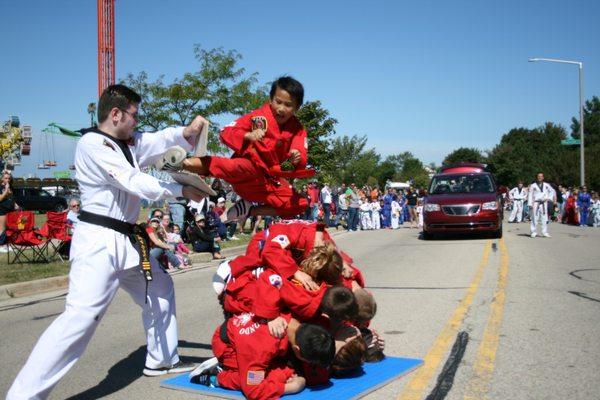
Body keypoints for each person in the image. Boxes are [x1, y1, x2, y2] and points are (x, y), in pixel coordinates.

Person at [6, 84, 208, 400]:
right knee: (79, 321)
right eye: (134, 115)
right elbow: (132, 180)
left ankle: (161, 359)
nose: (138, 122)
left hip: (126, 240)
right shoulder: (93, 144)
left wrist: (186, 130)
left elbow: (157, 139)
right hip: (98, 243)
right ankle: (23, 396)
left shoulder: (129, 144)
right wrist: (181, 191)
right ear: (116, 114)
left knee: (160, 288)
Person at [156, 76, 312, 222]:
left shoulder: (298, 130)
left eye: (288, 105)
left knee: (300, 203)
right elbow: (226, 132)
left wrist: (295, 159)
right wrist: (247, 136)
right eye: (278, 102)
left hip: (269, 183)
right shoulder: (257, 117)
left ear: (297, 107)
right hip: (247, 172)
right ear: (270, 99)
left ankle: (249, 210)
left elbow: (297, 161)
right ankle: (180, 163)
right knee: (232, 165)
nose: (282, 108)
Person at [527, 172, 553, 238]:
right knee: (534, 218)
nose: (540, 177)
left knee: (544, 218)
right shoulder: (533, 185)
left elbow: (552, 191)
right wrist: (530, 204)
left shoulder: (547, 185)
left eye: (541, 176)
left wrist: (549, 198)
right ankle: (533, 232)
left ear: (543, 177)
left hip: (544, 203)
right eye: (538, 176)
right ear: (537, 177)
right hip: (535, 203)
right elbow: (530, 194)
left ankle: (545, 232)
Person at [0, 171, 18, 247]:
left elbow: (12, 198)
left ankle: (7, 244)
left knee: (9, 228)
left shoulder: (11, 187)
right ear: (2, 179)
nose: (8, 180)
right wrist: (6, 190)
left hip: (10, 210)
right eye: (6, 178)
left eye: (9, 178)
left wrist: (16, 205)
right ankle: (1, 245)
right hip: (2, 209)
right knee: (2, 229)